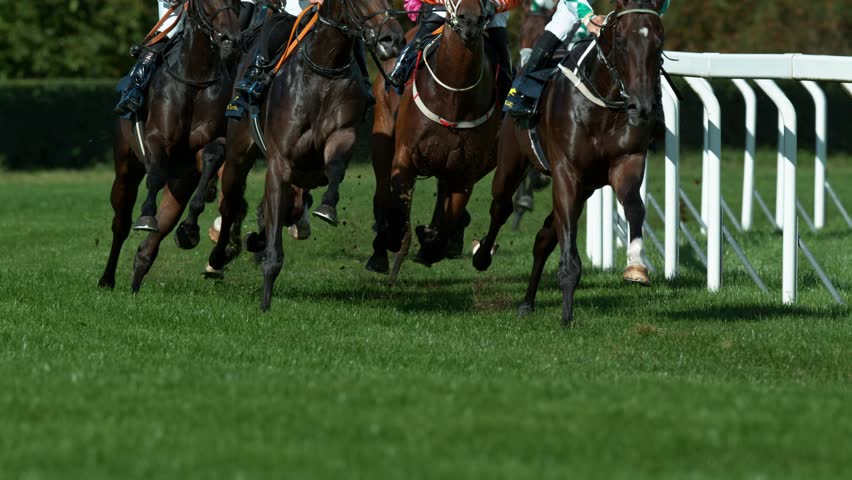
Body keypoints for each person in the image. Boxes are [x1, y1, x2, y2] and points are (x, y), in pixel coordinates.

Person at [504, 0, 670, 117]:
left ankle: (656, 107)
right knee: (550, 39)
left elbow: (662, 3)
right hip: (577, 8)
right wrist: (589, 18)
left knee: (641, 51)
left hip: (615, 15)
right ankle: (519, 95)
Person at [230, 0, 375, 115]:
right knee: (271, 28)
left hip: (334, 16)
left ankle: (365, 83)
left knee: (354, 37)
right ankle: (254, 77)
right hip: (295, 13)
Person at [114, 1, 258, 116]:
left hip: (222, 7)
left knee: (237, 40)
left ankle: (242, 94)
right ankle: (133, 88)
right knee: (167, 35)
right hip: (179, 5)